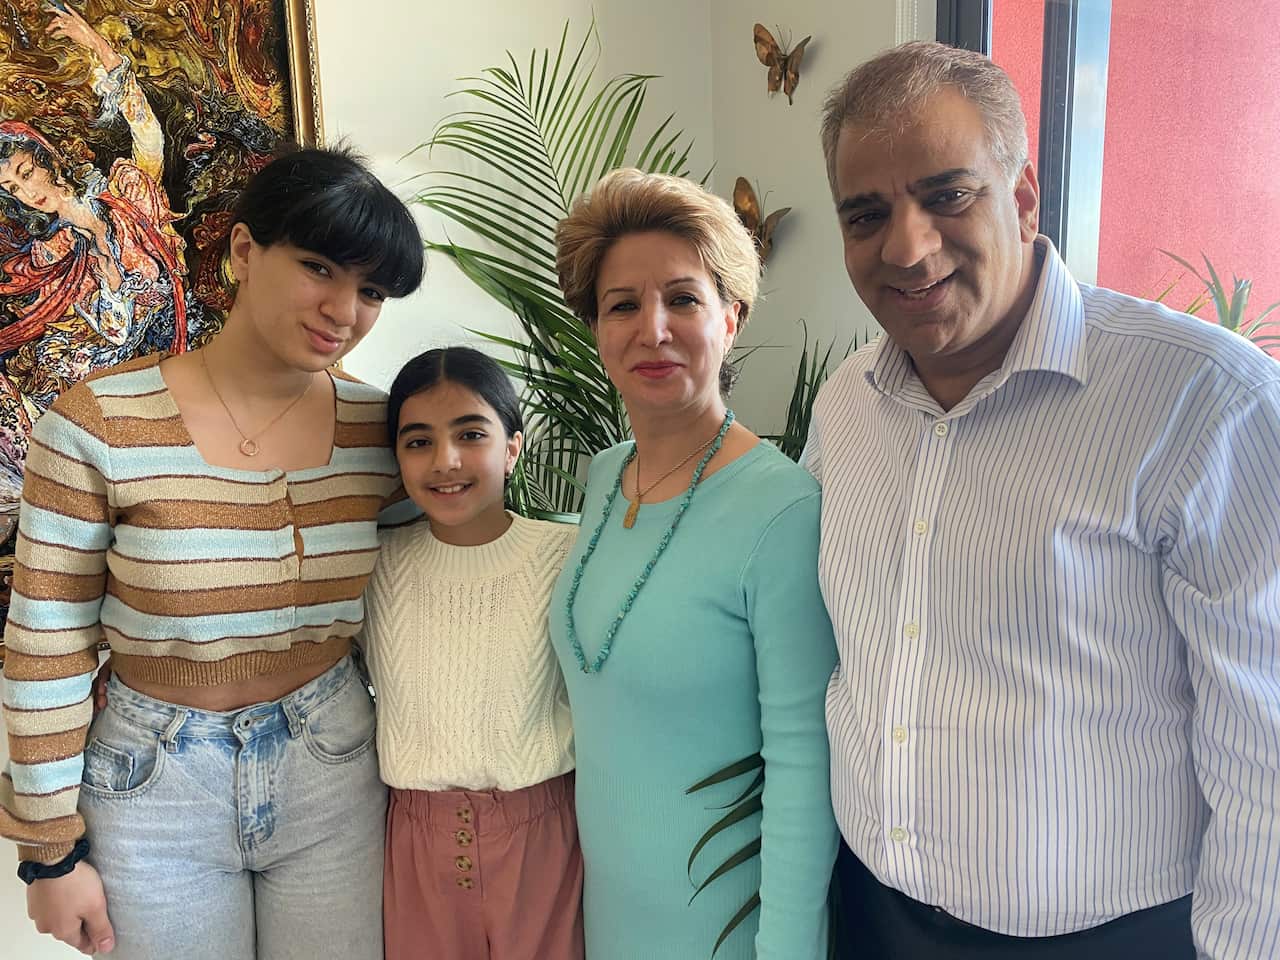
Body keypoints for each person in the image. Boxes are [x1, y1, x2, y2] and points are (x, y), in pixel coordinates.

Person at [808, 40, 1280, 959]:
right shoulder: (843, 405)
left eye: (948, 195)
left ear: (1022, 198)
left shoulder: (1206, 401)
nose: (906, 248)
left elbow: (1268, 751)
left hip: (1110, 939)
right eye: (866, 215)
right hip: (869, 913)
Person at [0, 144, 424, 959]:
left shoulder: (384, 432)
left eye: (371, 291)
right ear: (241, 251)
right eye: (319, 268)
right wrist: (48, 848)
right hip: (152, 783)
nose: (345, 309)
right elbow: (45, 643)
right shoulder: (98, 425)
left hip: (333, 765)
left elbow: (427, 591)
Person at [550, 168, 839, 959]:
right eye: (622, 305)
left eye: (683, 298)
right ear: (596, 328)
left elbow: (802, 769)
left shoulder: (780, 509)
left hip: (723, 926)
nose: (653, 329)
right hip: (609, 915)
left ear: (732, 318)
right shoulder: (604, 476)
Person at [364, 345, 583, 959]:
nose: (446, 461)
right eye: (418, 441)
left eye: (471, 433)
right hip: (414, 845)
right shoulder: (377, 566)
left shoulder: (568, 557)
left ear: (513, 447)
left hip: (542, 841)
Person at [0, 2, 195, 487]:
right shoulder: (56, 249)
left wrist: (99, 47)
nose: (27, 191)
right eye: (12, 188)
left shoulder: (123, 192)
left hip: (142, 372)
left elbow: (147, 134)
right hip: (79, 376)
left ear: (47, 160)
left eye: (26, 173)